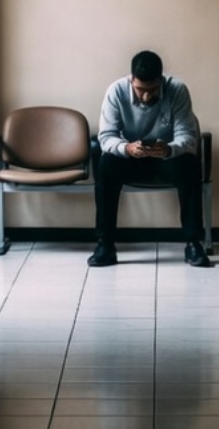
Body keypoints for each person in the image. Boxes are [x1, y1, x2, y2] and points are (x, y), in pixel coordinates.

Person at [88, 50, 210, 268]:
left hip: (165, 159)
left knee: (189, 165)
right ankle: (105, 244)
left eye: (153, 90)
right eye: (140, 90)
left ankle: (193, 243)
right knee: (105, 163)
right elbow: (106, 136)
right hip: (129, 158)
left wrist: (169, 149)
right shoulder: (116, 91)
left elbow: (188, 136)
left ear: (161, 80)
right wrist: (126, 148)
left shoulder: (177, 90)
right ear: (131, 79)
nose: (146, 96)